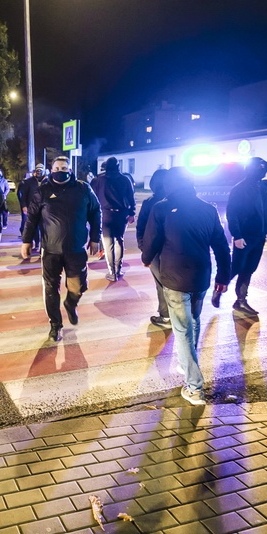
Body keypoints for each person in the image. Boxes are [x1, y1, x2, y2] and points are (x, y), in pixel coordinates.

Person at [141, 167, 231, 405]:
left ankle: (194, 386)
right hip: (201, 276)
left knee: (182, 330)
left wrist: (146, 257)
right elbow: (222, 246)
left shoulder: (161, 208)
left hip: (175, 278)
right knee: (193, 322)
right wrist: (223, 276)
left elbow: (152, 241)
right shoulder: (207, 209)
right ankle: (187, 363)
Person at [21, 156, 101, 342]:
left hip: (76, 249)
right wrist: (26, 240)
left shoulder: (83, 189)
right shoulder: (43, 191)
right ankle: (55, 325)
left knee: (78, 287)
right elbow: (32, 217)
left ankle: (71, 303)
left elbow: (96, 212)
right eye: (57, 167)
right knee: (50, 288)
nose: (60, 170)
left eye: (64, 167)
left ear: (70, 170)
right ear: (52, 169)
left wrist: (95, 238)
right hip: (50, 250)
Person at [216, 157, 267, 316]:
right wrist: (237, 236)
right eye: (258, 168)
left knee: (250, 268)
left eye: (264, 168)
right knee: (236, 266)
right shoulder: (240, 188)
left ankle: (241, 301)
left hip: (260, 236)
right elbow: (232, 213)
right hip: (244, 236)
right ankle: (220, 287)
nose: (261, 171)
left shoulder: (266, 187)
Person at [90, 157, 136, 282]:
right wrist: (132, 213)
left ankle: (112, 272)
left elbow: (92, 200)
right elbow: (131, 198)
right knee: (119, 241)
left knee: (108, 244)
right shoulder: (125, 179)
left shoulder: (98, 180)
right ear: (118, 166)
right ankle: (118, 269)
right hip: (121, 215)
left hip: (105, 215)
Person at [137, 169, 171, 329]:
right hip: (177, 250)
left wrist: (144, 250)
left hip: (155, 251)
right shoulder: (178, 201)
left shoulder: (150, 202)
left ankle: (165, 316)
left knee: (161, 283)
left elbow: (141, 228)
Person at [18, 164, 46, 251]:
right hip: (32, 208)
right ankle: (37, 243)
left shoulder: (48, 181)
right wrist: (24, 206)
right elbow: (23, 195)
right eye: (37, 170)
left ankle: (43, 245)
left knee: (44, 227)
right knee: (35, 226)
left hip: (45, 208)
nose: (39, 172)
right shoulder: (29, 182)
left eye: (41, 170)